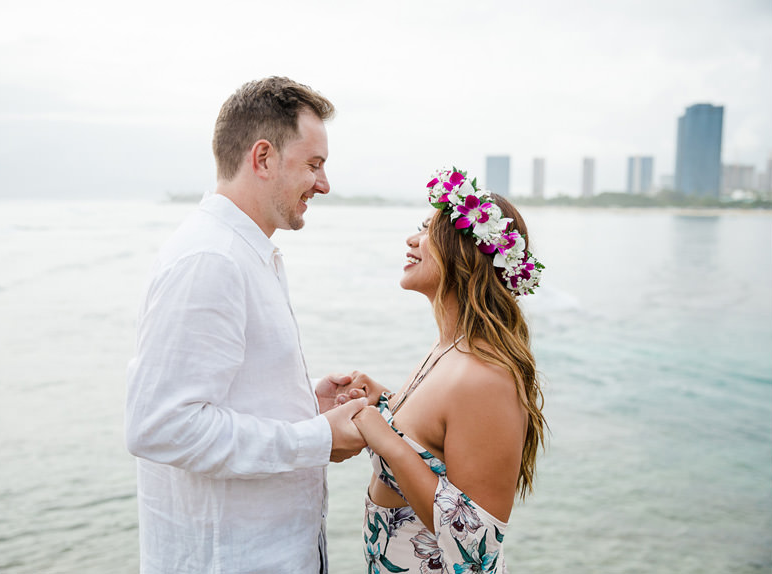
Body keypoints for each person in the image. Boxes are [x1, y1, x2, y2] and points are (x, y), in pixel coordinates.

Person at [124, 76, 369, 573]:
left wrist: (305, 406)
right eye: (314, 165)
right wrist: (317, 438)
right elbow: (161, 426)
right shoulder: (211, 259)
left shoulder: (246, 254)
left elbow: (224, 395)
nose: (323, 184)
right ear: (262, 158)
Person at [335, 168, 545, 573]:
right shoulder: (447, 349)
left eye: (428, 230)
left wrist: (385, 438)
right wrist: (385, 402)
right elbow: (435, 447)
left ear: (463, 254)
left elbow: (477, 544)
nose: (411, 239)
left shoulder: (484, 376)